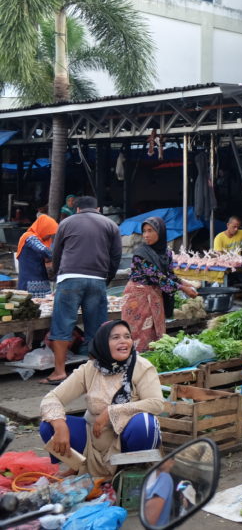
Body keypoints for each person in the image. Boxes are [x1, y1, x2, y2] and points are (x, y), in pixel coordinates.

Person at [40, 320, 164, 477]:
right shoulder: (90, 369)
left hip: (127, 439)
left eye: (127, 336)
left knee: (145, 423)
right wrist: (60, 426)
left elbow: (156, 404)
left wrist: (111, 412)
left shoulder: (141, 367)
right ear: (102, 343)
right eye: (115, 337)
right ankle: (79, 466)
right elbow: (52, 397)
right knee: (48, 425)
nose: (123, 341)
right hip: (94, 442)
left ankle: (132, 471)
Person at [43, 196, 121, 385]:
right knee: (96, 326)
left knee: (62, 325)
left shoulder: (66, 223)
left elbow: (57, 253)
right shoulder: (110, 225)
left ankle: (59, 372)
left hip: (69, 278)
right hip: (97, 279)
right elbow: (116, 255)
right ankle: (95, 371)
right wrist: (107, 277)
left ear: (76, 209)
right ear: (98, 208)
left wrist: (57, 274)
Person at [123, 217, 197, 351]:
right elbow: (158, 277)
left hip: (155, 295)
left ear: (160, 232)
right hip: (138, 298)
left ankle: (153, 364)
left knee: (155, 331)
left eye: (150, 231)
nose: (146, 235)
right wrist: (184, 289)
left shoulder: (166, 252)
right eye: (144, 231)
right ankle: (136, 363)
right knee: (139, 333)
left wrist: (187, 284)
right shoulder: (141, 254)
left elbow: (170, 275)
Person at [214, 216, 242, 301]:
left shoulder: (240, 233)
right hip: (225, 268)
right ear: (228, 225)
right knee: (225, 281)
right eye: (234, 227)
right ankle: (225, 302)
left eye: (238, 227)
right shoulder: (219, 238)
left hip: (238, 267)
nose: (236, 229)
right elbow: (219, 255)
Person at [16, 206, 58, 297]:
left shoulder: (42, 240)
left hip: (42, 280)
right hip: (30, 282)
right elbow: (45, 251)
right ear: (43, 228)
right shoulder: (29, 237)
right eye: (49, 233)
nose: (49, 236)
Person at [144, 457, 176, 526]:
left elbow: (150, 519)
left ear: (172, 463)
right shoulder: (152, 474)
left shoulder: (165, 478)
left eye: (166, 456)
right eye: (160, 455)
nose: (161, 458)